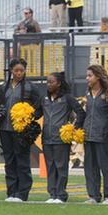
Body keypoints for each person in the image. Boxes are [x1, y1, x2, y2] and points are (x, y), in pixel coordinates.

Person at [0, 58, 42, 202]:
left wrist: (28, 118)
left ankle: (22, 193)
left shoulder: (31, 88)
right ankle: (11, 192)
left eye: (21, 70)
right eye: (16, 70)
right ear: (11, 71)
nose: (19, 73)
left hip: (21, 130)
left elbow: (38, 108)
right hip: (5, 129)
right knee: (9, 161)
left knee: (22, 161)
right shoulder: (4, 86)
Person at [42, 72, 85, 203]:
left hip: (61, 138)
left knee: (61, 166)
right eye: (47, 82)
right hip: (46, 138)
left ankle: (61, 194)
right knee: (50, 166)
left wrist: (74, 128)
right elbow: (37, 112)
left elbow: (81, 112)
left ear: (59, 83)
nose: (49, 85)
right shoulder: (44, 98)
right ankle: (52, 194)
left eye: (51, 82)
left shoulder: (67, 98)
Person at [83, 64, 108, 204]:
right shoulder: (87, 94)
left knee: (105, 166)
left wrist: (107, 129)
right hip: (88, 135)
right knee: (90, 167)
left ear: (97, 77)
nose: (87, 78)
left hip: (102, 135)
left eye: (90, 76)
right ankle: (93, 196)